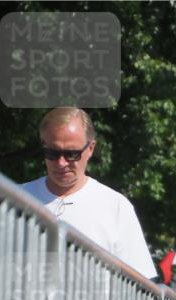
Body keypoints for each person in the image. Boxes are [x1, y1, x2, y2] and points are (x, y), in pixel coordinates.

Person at [19, 107, 157, 281]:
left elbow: (142, 286)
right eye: (52, 153)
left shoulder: (116, 207)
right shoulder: (15, 197)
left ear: (90, 148)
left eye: (71, 154)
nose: (61, 163)